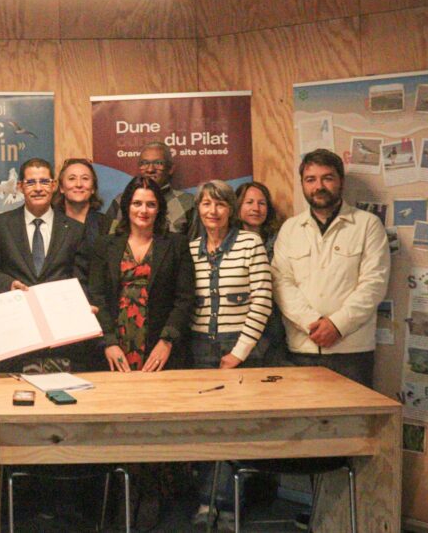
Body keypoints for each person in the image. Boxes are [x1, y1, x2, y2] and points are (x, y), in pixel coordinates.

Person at [89, 175, 196, 529]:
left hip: (156, 350)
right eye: (137, 203)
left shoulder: (175, 246)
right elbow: (98, 299)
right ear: (126, 206)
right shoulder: (105, 245)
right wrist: (107, 341)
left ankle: (152, 494)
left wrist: (168, 340)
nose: (144, 210)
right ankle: (123, 492)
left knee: (154, 424)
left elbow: (184, 299)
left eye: (151, 204)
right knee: (119, 424)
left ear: (159, 208)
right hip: (116, 349)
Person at [188, 180, 273, 530]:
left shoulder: (250, 244)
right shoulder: (190, 248)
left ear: (231, 210)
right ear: (199, 208)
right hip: (199, 349)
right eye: (207, 204)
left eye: (220, 205)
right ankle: (206, 503)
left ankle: (226, 503)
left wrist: (238, 353)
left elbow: (263, 300)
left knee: (234, 429)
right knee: (205, 429)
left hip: (237, 349)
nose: (213, 211)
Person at [272, 150, 390, 388]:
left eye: (327, 178)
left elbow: (374, 285)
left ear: (341, 181)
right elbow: (281, 283)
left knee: (354, 424)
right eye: (311, 179)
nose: (319, 186)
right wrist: (312, 323)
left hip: (353, 352)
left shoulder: (368, 225)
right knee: (302, 425)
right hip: (302, 348)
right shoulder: (290, 229)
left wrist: (337, 325)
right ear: (303, 184)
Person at [0, 157, 91, 372]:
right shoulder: (1, 224)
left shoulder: (75, 229)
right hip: (16, 333)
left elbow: (81, 279)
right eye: (31, 182)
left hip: (60, 334)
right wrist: (9, 284)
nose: (38, 188)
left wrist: (82, 305)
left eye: (44, 181)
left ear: (53, 186)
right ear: (20, 187)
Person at [234, 181, 288, 366]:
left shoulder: (281, 240)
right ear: (237, 206)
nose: (256, 208)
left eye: (261, 203)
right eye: (249, 202)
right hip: (238, 326)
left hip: (274, 326)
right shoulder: (228, 242)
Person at [105, 141, 195, 235]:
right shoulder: (121, 201)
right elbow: (108, 243)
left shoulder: (188, 203)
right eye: (144, 163)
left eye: (158, 163)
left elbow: (196, 245)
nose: (150, 169)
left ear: (171, 169)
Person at [53, 157, 108, 239]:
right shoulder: (51, 224)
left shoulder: (107, 225)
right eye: (72, 178)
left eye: (85, 178)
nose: (78, 184)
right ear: (61, 187)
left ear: (93, 187)